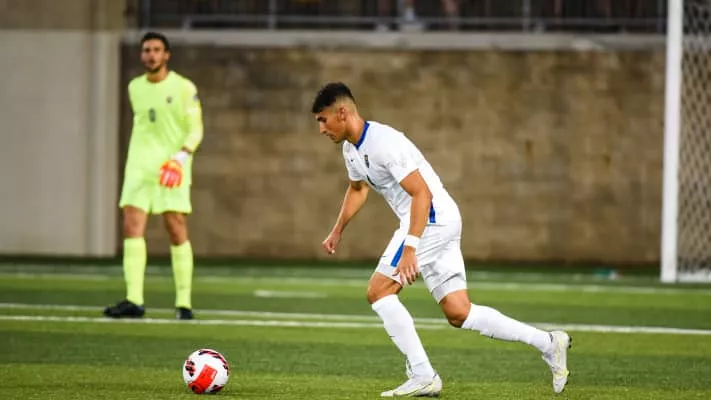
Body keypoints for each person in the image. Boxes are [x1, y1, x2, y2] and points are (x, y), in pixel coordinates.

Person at [311, 82, 571, 397]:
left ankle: (423, 375)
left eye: (323, 120)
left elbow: (422, 193)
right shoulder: (350, 149)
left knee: (378, 291)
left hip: (431, 219)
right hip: (439, 220)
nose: (321, 129)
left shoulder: (384, 143)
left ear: (342, 112)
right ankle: (549, 343)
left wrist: (411, 246)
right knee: (459, 311)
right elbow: (357, 189)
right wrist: (338, 230)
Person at [104, 32, 204, 321]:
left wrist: (179, 158)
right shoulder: (135, 87)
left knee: (176, 227)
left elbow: (196, 129)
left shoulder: (184, 87)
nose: (151, 55)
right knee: (131, 226)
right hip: (139, 167)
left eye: (157, 50)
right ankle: (134, 300)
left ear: (166, 55)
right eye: (146, 50)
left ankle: (183, 303)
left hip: (171, 167)